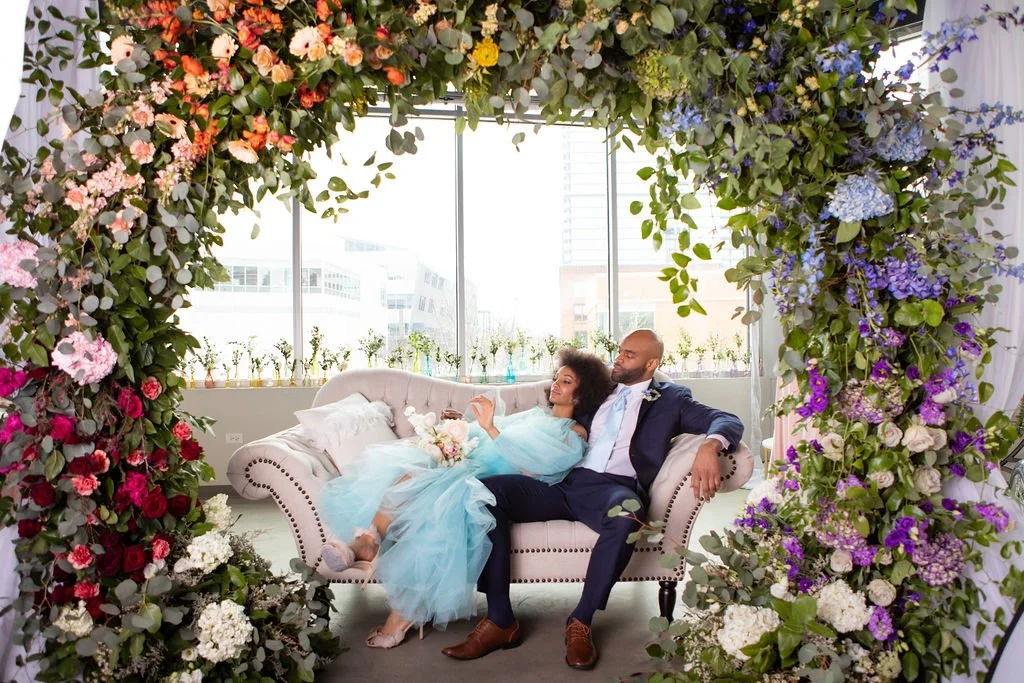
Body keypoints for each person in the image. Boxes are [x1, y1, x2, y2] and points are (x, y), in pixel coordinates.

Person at [441, 329, 744, 670]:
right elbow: (544, 420)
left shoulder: (671, 399)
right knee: (485, 491)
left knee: (627, 513)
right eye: (620, 351)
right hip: (563, 481)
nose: (619, 358)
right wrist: (472, 426)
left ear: (652, 363)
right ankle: (500, 620)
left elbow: (726, 420)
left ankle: (581, 621)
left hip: (612, 487)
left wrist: (710, 445)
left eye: (629, 355)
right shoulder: (599, 391)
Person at [318, 348, 615, 649]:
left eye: (566, 381)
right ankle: (369, 544)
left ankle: (392, 593)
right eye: (557, 378)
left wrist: (489, 427)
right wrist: (458, 429)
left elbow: (537, 465)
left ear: (581, 394)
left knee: (432, 497)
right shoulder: (536, 414)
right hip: (471, 462)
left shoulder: (574, 433)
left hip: (498, 481)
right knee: (407, 474)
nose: (556, 384)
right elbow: (486, 436)